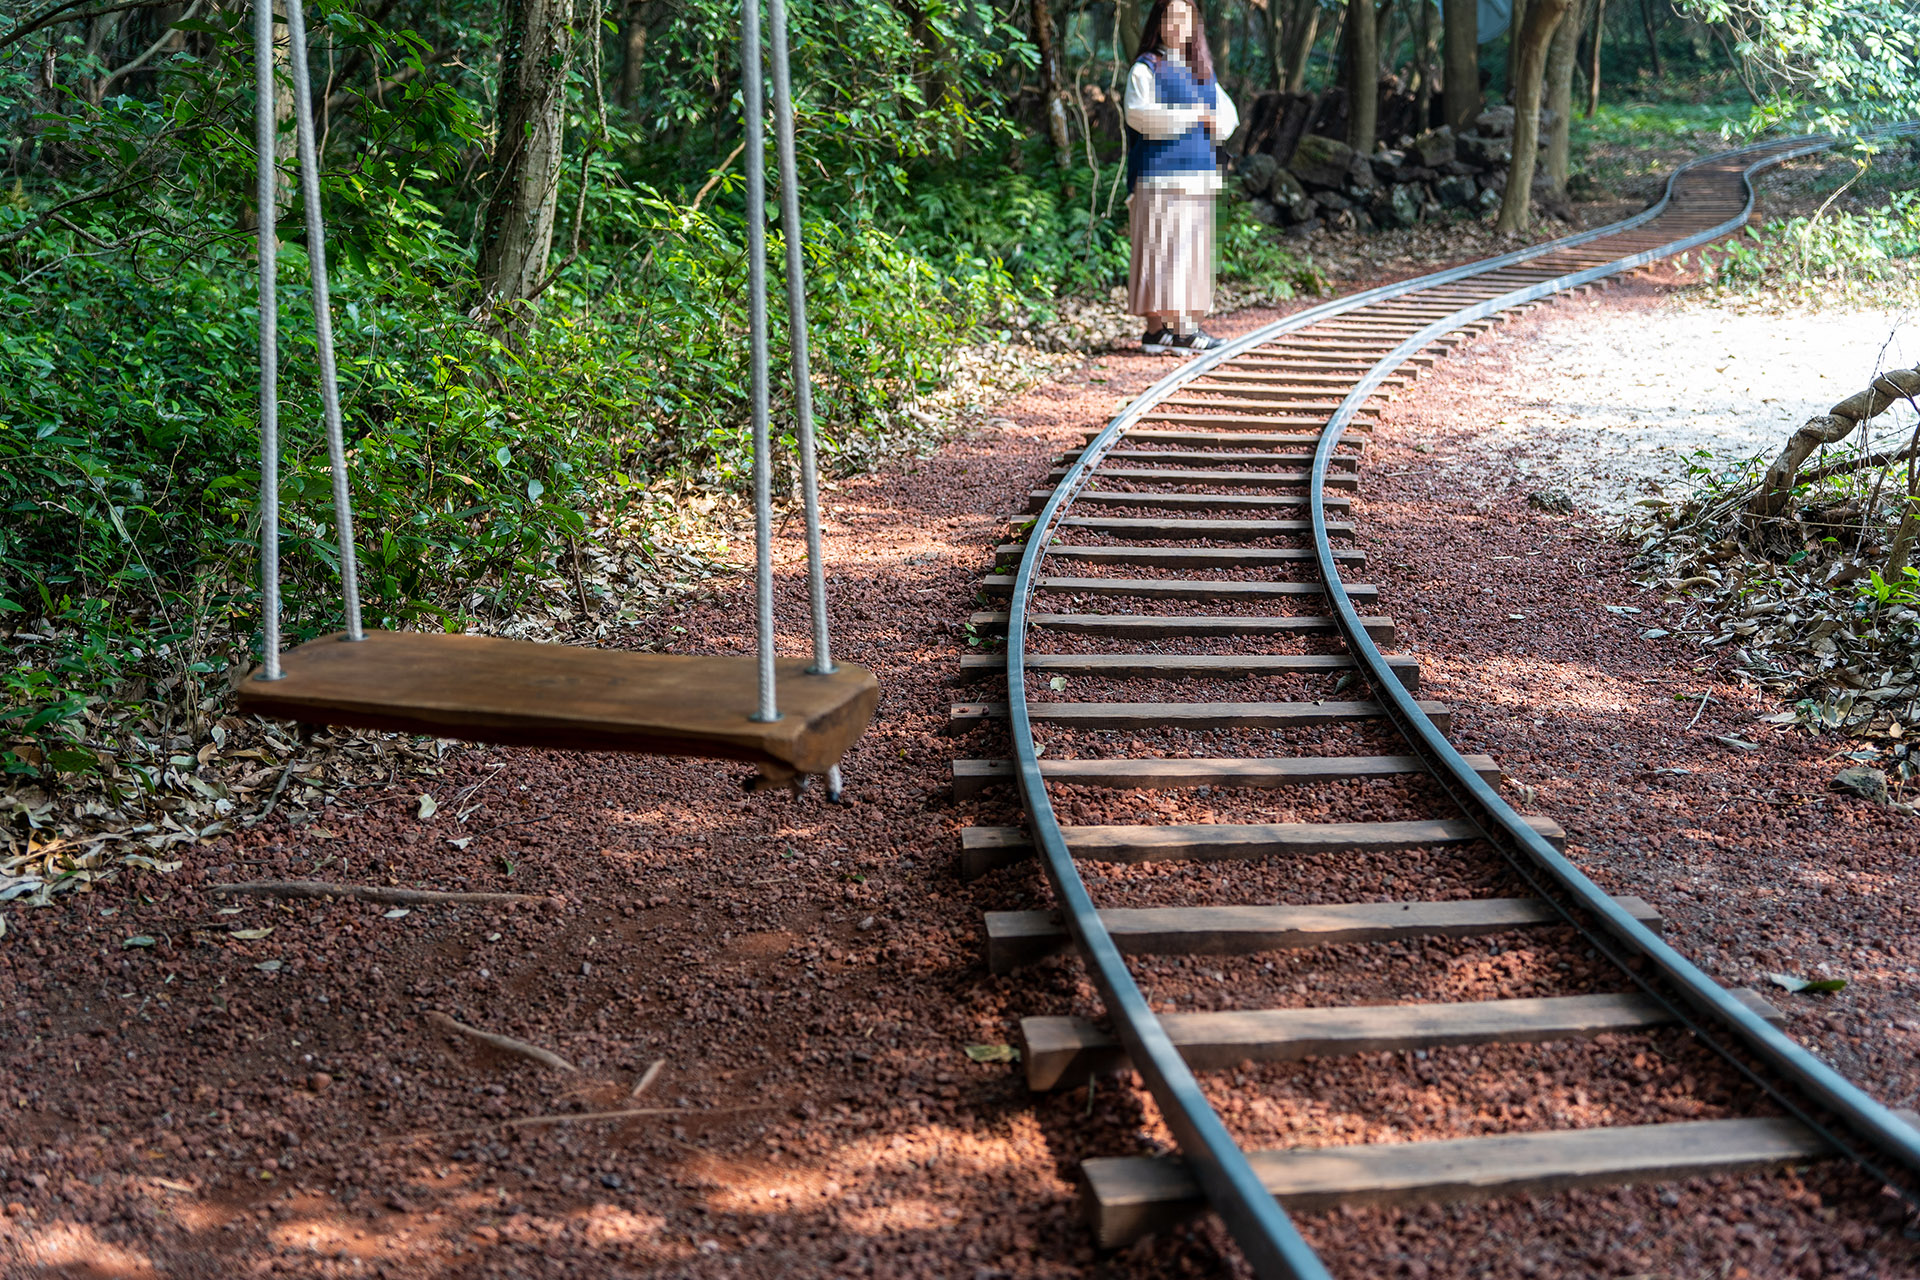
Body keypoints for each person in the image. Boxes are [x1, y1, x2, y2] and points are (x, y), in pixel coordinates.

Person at [1124, 0, 1238, 356]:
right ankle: (1170, 330)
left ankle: (1171, 331)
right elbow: (1138, 116)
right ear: (1158, 23)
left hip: (1199, 177)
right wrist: (1192, 115)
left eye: (1184, 19)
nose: (1177, 26)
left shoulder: (1202, 71)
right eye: (1170, 18)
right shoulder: (1146, 68)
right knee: (1160, 253)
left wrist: (1207, 119)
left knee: (1191, 254)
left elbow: (1227, 119)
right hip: (1159, 177)